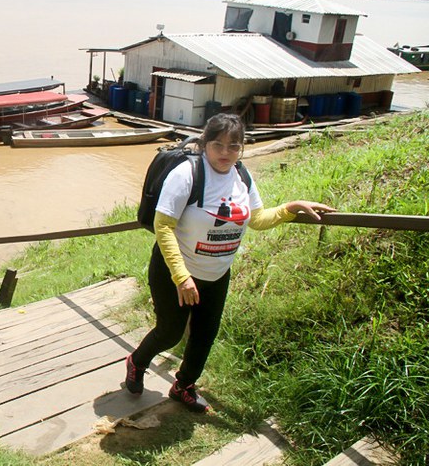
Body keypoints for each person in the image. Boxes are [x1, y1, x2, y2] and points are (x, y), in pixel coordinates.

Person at [124, 113, 336, 412]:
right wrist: (182, 277)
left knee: (205, 334)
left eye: (234, 146)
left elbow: (258, 219)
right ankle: (137, 361)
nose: (225, 153)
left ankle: (183, 385)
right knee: (170, 332)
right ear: (204, 144)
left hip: (217, 272)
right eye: (218, 145)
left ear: (242, 148)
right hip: (176, 271)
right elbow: (163, 226)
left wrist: (291, 208)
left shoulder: (241, 176)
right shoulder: (187, 174)